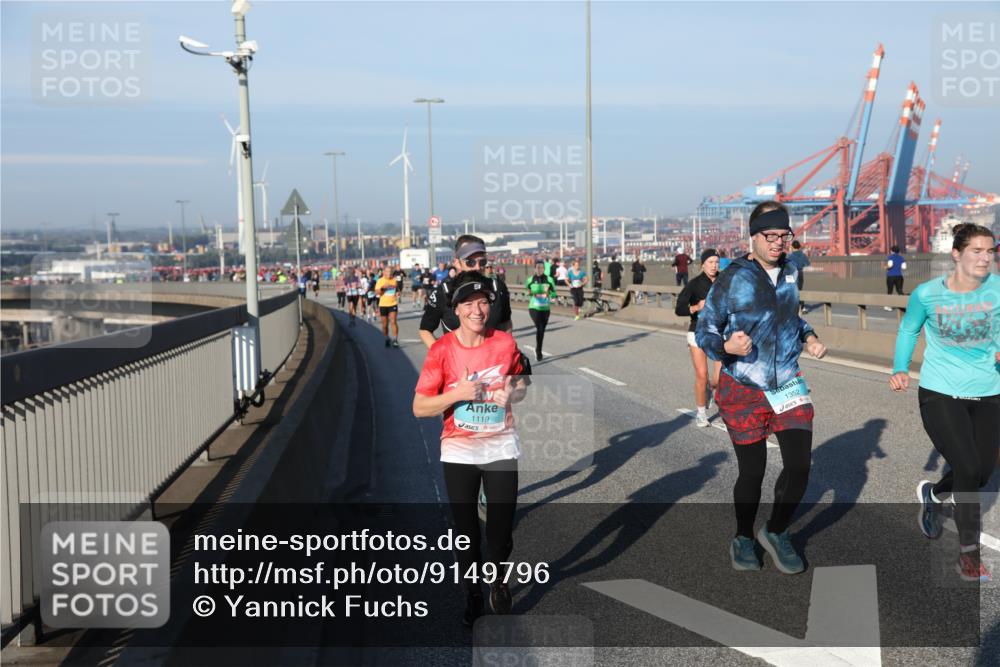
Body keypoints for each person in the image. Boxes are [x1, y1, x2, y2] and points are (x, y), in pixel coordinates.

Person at [696, 201, 827, 575]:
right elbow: (705, 329)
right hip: (744, 386)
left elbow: (791, 318)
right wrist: (726, 348)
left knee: (800, 465)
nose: (777, 243)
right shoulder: (732, 277)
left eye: (784, 236)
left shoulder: (789, 274)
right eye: (770, 236)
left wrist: (810, 337)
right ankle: (742, 536)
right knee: (753, 473)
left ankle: (777, 530)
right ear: (752, 237)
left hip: (787, 381)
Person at [413, 272, 531, 625]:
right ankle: (474, 593)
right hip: (459, 450)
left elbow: (522, 381)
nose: (478, 310)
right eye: (469, 304)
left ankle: (496, 576)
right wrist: (457, 395)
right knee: (466, 533)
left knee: (500, 531)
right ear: (456, 310)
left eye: (483, 302)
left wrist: (514, 392)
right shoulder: (442, 350)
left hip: (500, 446)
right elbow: (419, 407)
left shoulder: (504, 344)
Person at [890, 223, 998, 583]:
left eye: (990, 251)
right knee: (967, 467)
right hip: (941, 390)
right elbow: (909, 329)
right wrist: (901, 368)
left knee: (982, 473)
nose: (986, 258)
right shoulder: (927, 294)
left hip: (989, 390)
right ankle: (967, 556)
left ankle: (933, 494)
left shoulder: (998, 289)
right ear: (957, 254)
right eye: (977, 251)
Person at [420, 235, 513, 349]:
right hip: (458, 364)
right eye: (470, 262)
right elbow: (425, 330)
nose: (478, 267)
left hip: (492, 362)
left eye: (482, 262)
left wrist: (507, 352)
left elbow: (506, 323)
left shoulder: (497, 287)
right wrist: (442, 357)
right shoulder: (445, 291)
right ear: (457, 263)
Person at [675, 249, 723, 427]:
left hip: (719, 332)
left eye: (716, 262)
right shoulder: (694, 284)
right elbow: (679, 308)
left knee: (718, 379)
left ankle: (712, 390)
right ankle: (701, 413)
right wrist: (695, 307)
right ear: (703, 264)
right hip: (698, 331)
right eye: (710, 262)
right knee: (702, 374)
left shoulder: (724, 281)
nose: (714, 266)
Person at [526, 261, 557, 361]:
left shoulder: (549, 279)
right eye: (538, 267)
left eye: (542, 267)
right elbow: (526, 291)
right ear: (534, 269)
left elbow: (554, 293)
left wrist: (550, 295)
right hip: (534, 308)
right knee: (539, 327)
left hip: (545, 308)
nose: (540, 269)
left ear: (544, 269)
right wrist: (531, 293)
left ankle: (538, 349)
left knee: (542, 330)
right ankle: (539, 352)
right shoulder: (530, 280)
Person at [375, 265, 400, 348]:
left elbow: (397, 289)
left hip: (392, 303)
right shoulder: (380, 281)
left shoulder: (394, 280)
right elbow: (377, 293)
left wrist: (397, 293)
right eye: (387, 271)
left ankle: (395, 340)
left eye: (390, 271)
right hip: (383, 305)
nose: (389, 273)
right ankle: (386, 338)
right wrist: (383, 288)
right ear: (384, 272)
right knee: (385, 325)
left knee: (393, 321)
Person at [885, 245, 907, 310]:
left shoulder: (890, 257)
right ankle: (903, 305)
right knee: (900, 291)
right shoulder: (901, 258)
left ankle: (889, 306)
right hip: (899, 276)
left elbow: (890, 265)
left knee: (890, 291)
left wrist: (886, 267)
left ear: (892, 251)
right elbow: (904, 267)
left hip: (891, 276)